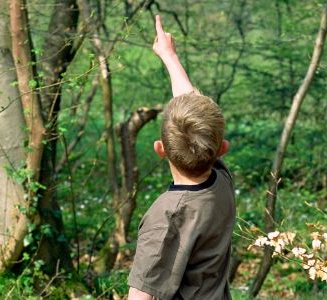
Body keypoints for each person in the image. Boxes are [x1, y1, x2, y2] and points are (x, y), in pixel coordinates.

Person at [126, 15, 236, 300]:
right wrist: (169, 56)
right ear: (222, 148)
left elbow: (141, 296)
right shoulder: (219, 181)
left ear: (160, 149)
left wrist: (168, 55)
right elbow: (198, 119)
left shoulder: (167, 216)